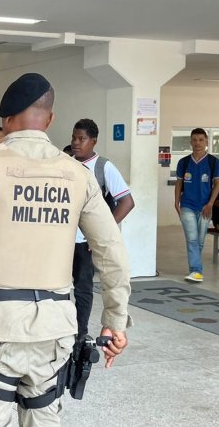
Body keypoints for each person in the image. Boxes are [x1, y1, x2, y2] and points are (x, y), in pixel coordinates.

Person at [0, 73, 131, 426]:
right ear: (49, 120)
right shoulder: (77, 174)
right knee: (44, 415)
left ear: (6, 120)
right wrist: (115, 321)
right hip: (55, 331)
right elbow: (110, 249)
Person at [70, 118, 135, 338]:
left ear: (93, 141)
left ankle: (80, 333)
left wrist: (102, 233)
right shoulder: (66, 162)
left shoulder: (103, 167)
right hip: (63, 239)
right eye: (74, 137)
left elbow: (127, 202)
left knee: (82, 288)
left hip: (85, 242)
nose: (76, 143)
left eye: (82, 138)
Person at [174, 128, 219, 283]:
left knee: (200, 240)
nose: (197, 143)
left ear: (207, 141)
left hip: (205, 207)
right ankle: (196, 270)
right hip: (187, 205)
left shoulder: (214, 162)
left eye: (201, 140)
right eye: (194, 140)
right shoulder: (184, 162)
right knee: (192, 239)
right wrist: (177, 202)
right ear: (190, 142)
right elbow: (179, 183)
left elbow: (217, 184)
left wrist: (210, 204)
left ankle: (195, 268)